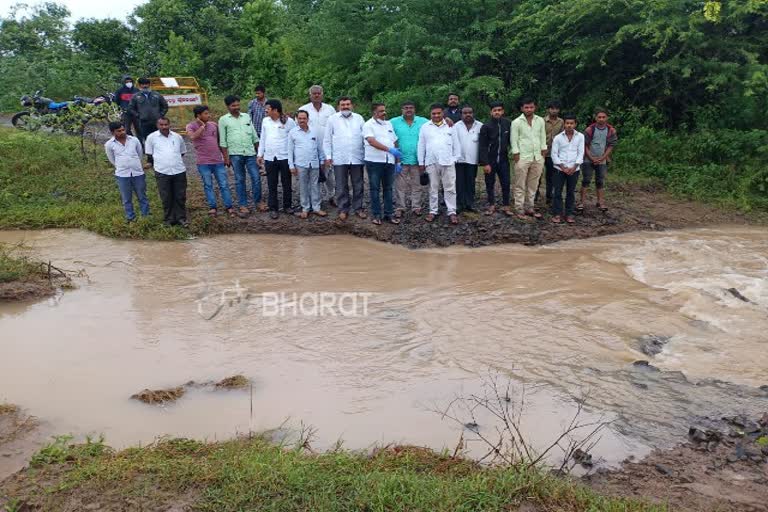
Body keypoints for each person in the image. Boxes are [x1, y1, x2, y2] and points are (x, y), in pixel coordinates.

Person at [186, 105, 234, 218]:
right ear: (198, 115)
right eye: (206, 114)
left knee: (224, 184)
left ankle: (229, 207)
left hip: (218, 161)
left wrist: (226, 157)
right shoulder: (191, 126)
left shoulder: (214, 125)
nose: (209, 115)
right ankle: (213, 207)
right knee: (208, 185)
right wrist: (202, 126)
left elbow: (221, 142)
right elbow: (192, 137)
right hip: (203, 162)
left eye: (208, 113)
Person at [323, 96, 366, 220]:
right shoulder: (332, 119)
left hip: (357, 157)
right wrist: (328, 156)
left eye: (348, 104)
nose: (345, 107)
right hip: (339, 158)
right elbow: (327, 139)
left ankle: (358, 208)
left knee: (358, 184)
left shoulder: (359, 118)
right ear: (338, 107)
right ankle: (343, 209)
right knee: (341, 185)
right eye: (343, 105)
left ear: (352, 105)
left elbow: (365, 138)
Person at [417, 103, 461, 225]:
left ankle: (452, 211)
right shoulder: (425, 127)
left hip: (448, 162)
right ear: (430, 114)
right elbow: (421, 145)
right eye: (433, 113)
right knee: (433, 188)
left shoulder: (451, 126)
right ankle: (433, 211)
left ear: (443, 113)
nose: (436, 115)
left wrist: (455, 158)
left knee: (450, 188)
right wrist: (421, 162)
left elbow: (456, 144)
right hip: (431, 162)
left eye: (438, 113)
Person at [219, 95, 262, 217]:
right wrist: (226, 158)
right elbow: (223, 141)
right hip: (235, 154)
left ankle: (258, 202)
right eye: (233, 105)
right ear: (227, 107)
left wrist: (259, 152)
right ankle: (243, 205)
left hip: (250, 153)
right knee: (239, 180)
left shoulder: (246, 117)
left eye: (238, 105)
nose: (236, 107)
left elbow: (254, 135)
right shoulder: (223, 120)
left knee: (256, 177)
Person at [258, 99, 297, 219]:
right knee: (272, 184)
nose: (266, 110)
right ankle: (273, 208)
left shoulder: (289, 121)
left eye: (268, 108)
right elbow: (263, 138)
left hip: (285, 157)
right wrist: (260, 154)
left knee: (286, 183)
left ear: (275, 110)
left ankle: (287, 206)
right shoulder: (265, 121)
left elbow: (294, 139)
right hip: (270, 157)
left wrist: (295, 158)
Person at [363, 102, 401, 225]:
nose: (384, 113)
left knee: (388, 189)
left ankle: (389, 214)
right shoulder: (368, 125)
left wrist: (397, 161)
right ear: (374, 112)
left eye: (384, 110)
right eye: (381, 111)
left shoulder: (388, 124)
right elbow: (371, 141)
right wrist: (388, 149)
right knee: (375, 188)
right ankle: (376, 215)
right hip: (374, 161)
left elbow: (395, 142)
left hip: (389, 161)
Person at [145, 117, 187, 227]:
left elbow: (182, 152)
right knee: (166, 197)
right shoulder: (151, 138)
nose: (164, 127)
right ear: (157, 125)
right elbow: (149, 155)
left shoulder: (178, 137)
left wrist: (173, 161)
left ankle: (181, 219)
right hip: (162, 172)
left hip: (179, 171)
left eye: (166, 125)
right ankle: (169, 220)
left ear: (169, 125)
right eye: (161, 125)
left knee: (180, 196)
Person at [104, 121, 149, 222]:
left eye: (123, 129)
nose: (122, 132)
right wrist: (122, 166)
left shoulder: (134, 140)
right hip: (122, 175)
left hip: (138, 173)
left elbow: (140, 154)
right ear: (113, 132)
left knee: (142, 196)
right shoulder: (109, 145)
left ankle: (146, 217)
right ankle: (130, 218)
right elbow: (112, 160)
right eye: (119, 131)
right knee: (126, 199)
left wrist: (135, 164)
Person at [510, 97, 547, 219]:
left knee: (533, 184)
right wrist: (516, 154)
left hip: (538, 156)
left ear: (535, 107)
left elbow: (542, 136)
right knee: (520, 184)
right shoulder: (516, 122)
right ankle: (519, 208)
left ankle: (529, 206)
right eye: (526, 107)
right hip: (522, 157)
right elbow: (514, 139)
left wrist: (543, 149)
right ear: (522, 108)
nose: (529, 109)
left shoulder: (540, 120)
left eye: (531, 107)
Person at [299, 85, 337, 205]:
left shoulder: (330, 109)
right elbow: (299, 128)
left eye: (318, 93)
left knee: (329, 173)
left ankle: (332, 195)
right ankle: (315, 199)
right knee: (313, 174)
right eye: (314, 93)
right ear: (310, 95)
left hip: (327, 146)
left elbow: (336, 127)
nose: (316, 95)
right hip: (310, 147)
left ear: (322, 94)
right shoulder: (304, 109)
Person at [390, 101, 428, 218]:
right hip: (400, 159)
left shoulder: (423, 122)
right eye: (406, 108)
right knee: (400, 186)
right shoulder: (393, 122)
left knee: (416, 185)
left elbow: (436, 123)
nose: (408, 110)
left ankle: (416, 207)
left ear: (414, 109)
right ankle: (400, 207)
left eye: (411, 107)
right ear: (402, 109)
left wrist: (447, 119)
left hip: (417, 159)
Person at [288, 110, 327, 219]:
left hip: (314, 163)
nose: (302, 120)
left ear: (308, 119)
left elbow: (319, 148)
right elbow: (290, 150)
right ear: (297, 119)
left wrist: (322, 161)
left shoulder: (314, 132)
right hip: (300, 164)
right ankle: (305, 208)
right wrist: (291, 165)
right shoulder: (293, 132)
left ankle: (316, 207)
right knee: (303, 186)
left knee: (315, 185)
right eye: (300, 118)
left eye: (304, 118)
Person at [579, 108, 618, 213]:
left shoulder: (611, 130)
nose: (601, 119)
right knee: (586, 180)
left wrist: (603, 157)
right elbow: (585, 145)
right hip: (588, 159)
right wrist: (591, 158)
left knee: (600, 181)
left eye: (603, 117)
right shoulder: (589, 130)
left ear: (607, 118)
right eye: (599, 117)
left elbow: (611, 146)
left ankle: (600, 202)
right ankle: (581, 202)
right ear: (595, 118)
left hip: (602, 159)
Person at [478, 101, 512, 216]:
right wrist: (485, 163)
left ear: (502, 111)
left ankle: (506, 205)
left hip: (504, 159)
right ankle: (491, 204)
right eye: (494, 110)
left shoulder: (508, 124)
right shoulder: (486, 126)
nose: (497, 112)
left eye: (499, 110)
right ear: (491, 112)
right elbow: (482, 146)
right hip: (490, 160)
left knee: (506, 183)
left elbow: (511, 141)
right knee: (489, 183)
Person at [550, 113, 584, 224]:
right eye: (567, 123)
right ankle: (557, 214)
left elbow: (581, 153)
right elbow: (554, 154)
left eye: (571, 123)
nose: (569, 125)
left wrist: (574, 166)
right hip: (559, 169)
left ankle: (569, 214)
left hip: (574, 169)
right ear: (564, 124)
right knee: (557, 192)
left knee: (571, 192)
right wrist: (563, 167)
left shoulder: (580, 137)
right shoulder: (558, 138)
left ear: (575, 124)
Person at [454, 105, 482, 213]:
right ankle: (460, 204)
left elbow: (483, 144)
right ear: (461, 114)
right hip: (459, 160)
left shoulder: (480, 125)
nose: (468, 115)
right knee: (459, 182)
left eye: (470, 112)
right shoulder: (456, 126)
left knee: (470, 182)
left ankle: (470, 203)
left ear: (473, 113)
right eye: (465, 113)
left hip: (473, 160)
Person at [128, 77, 169, 145]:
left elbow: (165, 106)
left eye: (146, 84)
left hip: (157, 122)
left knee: (160, 139)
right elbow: (131, 108)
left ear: (149, 85)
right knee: (148, 140)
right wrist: (138, 115)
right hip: (144, 123)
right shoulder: (135, 96)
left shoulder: (157, 95)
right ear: (139, 85)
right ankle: (150, 155)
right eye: (143, 84)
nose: (145, 86)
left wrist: (160, 115)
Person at [541, 100, 564, 206]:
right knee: (537, 175)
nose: (554, 111)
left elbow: (562, 136)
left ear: (559, 110)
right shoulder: (541, 121)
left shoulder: (562, 122)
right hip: (541, 152)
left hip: (553, 153)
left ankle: (549, 197)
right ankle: (535, 196)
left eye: (556, 109)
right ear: (548, 109)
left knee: (551, 176)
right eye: (552, 108)